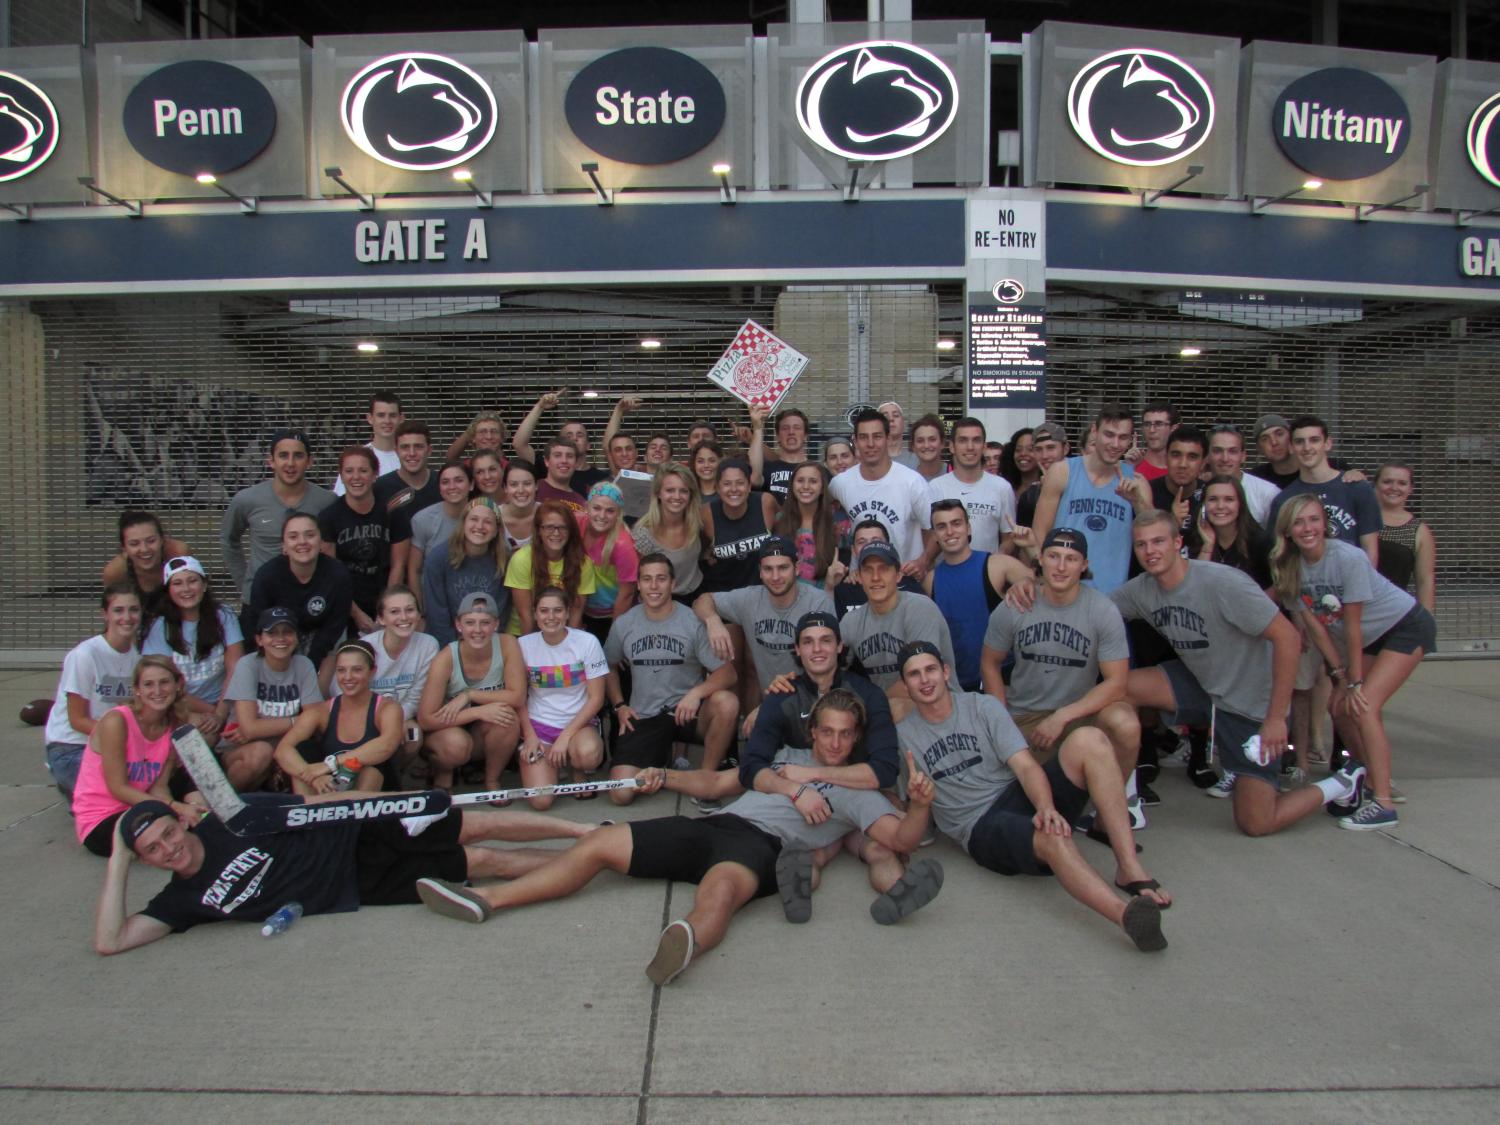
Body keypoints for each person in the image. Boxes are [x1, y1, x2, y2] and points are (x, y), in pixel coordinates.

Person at [416, 689, 942, 986]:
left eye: (844, 734)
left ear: (856, 738)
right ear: (813, 731)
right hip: (711, 827)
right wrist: (662, 776)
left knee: (718, 894)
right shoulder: (785, 760)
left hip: (760, 851)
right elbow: (716, 782)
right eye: (825, 731)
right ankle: (486, 898)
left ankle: (682, 945)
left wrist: (919, 805)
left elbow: (898, 838)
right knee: (601, 843)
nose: (833, 741)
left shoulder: (858, 792)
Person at [896, 642, 1167, 951]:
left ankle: (1128, 865)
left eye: (930, 669)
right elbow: (907, 808)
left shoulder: (982, 707)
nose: (925, 680)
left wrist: (1045, 806)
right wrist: (919, 804)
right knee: (1052, 837)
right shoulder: (903, 736)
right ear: (905, 685)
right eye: (914, 675)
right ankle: (1126, 915)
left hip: (1015, 792)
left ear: (946, 672)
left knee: (1089, 740)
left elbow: (1025, 767)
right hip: (980, 824)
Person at [1116, 511, 1368, 837]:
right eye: (1141, 544)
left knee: (1256, 822)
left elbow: (1288, 640)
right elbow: (1093, 611)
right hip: (1203, 685)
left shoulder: (1223, 583)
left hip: (1251, 705)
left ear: (1178, 543)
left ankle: (1343, 783)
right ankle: (1126, 798)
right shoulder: (1141, 590)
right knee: (1119, 689)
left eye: (1159, 541)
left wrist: (1276, 718)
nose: (1150, 551)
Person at [93, 795, 595, 954]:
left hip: (359, 833)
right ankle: (592, 863)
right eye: (152, 851)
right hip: (359, 889)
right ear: (146, 861)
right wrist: (118, 858)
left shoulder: (230, 817)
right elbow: (111, 941)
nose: (168, 849)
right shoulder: (180, 901)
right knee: (484, 863)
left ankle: (583, 833)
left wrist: (387, 806)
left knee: (477, 825)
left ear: (180, 821)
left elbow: (308, 804)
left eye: (167, 834)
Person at [1270, 494, 1436, 830]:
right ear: (1287, 530)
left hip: (1405, 626)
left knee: (1363, 705)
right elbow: (1318, 631)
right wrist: (1338, 674)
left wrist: (1355, 682)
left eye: (1314, 520)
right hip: (1367, 639)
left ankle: (1384, 803)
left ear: (1325, 524)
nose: (1308, 528)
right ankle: (1365, 775)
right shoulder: (1289, 569)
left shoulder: (1347, 557)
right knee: (1339, 707)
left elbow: (1354, 625)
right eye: (1299, 522)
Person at [981, 528, 1139, 782]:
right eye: (1054, 556)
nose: (1061, 566)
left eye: (1071, 558)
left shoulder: (1102, 610)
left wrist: (1062, 716)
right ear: (1040, 558)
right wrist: (1000, 722)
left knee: (1125, 722)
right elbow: (990, 662)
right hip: (1026, 715)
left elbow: (1117, 683)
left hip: (1079, 714)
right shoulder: (1016, 603)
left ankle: (1116, 795)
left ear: (1084, 565)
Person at [605, 554, 739, 799]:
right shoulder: (624, 624)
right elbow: (608, 666)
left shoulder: (692, 622)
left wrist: (696, 693)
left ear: (673, 584)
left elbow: (728, 674)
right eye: (647, 579)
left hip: (686, 713)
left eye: (661, 579)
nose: (654, 586)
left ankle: (705, 779)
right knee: (621, 794)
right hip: (645, 716)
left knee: (727, 703)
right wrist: (619, 705)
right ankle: (663, 760)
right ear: (638, 585)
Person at [738, 611, 900, 795]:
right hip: (793, 790)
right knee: (722, 782)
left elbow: (886, 770)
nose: (817, 649)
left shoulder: (869, 695)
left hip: (854, 792)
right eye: (808, 642)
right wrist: (795, 791)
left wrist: (812, 774)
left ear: (839, 646)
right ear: (797, 649)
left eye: (825, 640)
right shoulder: (782, 696)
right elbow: (750, 766)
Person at [72, 656, 197, 857]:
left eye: (164, 682)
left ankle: (200, 813)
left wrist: (184, 808)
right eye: (148, 684)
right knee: (179, 829)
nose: (157, 691)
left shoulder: (174, 723)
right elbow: (118, 788)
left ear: (178, 684)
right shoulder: (117, 721)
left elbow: (159, 786)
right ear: (137, 689)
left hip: (143, 805)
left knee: (192, 778)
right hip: (104, 819)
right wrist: (175, 808)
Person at [694, 537, 835, 700]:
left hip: (813, 699)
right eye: (768, 569)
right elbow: (702, 601)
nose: (775, 577)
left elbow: (827, 666)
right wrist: (713, 621)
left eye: (783, 568)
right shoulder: (750, 599)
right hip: (771, 702)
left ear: (796, 568)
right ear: (760, 571)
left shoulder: (818, 602)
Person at [418, 591, 524, 792]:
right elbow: (426, 719)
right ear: (458, 625)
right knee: (456, 745)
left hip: (480, 732)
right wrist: (477, 711)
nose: (477, 630)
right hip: (446, 732)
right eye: (469, 623)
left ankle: (492, 780)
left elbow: (517, 696)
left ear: (496, 624)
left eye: (485, 622)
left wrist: (469, 695)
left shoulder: (507, 644)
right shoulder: (446, 658)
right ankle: (442, 771)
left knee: (507, 717)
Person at [44, 584, 141, 800]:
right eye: (118, 610)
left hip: (108, 746)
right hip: (70, 748)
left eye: (133, 610)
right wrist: (121, 740)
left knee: (141, 780)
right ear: (104, 614)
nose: (127, 617)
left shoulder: (136, 659)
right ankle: (70, 784)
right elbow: (77, 719)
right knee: (121, 794)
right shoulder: (85, 655)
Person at [839, 541, 956, 718]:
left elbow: (921, 680)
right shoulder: (852, 621)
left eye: (884, 568)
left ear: (899, 574)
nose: (875, 577)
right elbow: (830, 668)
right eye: (868, 570)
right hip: (887, 709)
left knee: (895, 708)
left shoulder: (919, 608)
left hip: (941, 703)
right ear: (859, 576)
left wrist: (869, 707)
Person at [1029, 403, 1139, 592]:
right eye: (1109, 434)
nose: (1115, 444)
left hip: (1112, 598)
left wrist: (1138, 501)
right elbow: (1040, 532)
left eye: (1123, 437)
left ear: (1131, 439)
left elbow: (1154, 537)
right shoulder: (1062, 472)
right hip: (1063, 593)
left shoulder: (1136, 482)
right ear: (1095, 432)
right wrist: (1043, 580)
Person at [517, 586, 609, 808]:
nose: (551, 617)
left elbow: (596, 698)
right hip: (540, 726)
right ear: (535, 613)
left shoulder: (587, 642)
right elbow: (518, 698)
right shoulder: (522, 645)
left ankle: (575, 769)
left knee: (587, 755)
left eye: (558, 610)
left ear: (568, 612)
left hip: (578, 725)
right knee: (541, 801)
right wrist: (529, 736)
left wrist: (565, 738)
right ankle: (552, 766)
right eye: (544, 611)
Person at [926, 499, 1031, 693]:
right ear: (935, 536)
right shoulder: (930, 580)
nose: (950, 532)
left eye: (956, 523)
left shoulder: (998, 565)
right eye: (942, 526)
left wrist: (1032, 549)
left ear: (968, 528)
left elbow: (1048, 585)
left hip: (1004, 679)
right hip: (958, 686)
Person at [221, 430, 336, 605]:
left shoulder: (327, 501)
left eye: (298, 456)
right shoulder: (247, 499)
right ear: (271, 461)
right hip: (261, 601)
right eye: (283, 455)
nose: (290, 463)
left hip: (309, 602)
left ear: (310, 461)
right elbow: (228, 540)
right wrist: (245, 582)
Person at [274, 640, 402, 795]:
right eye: (341, 670)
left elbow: (387, 745)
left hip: (372, 796)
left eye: (357, 670)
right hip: (328, 789)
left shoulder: (387, 708)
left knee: (371, 766)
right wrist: (312, 776)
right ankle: (310, 813)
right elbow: (283, 750)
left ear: (372, 671)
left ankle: (355, 817)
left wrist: (330, 764)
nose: (347, 677)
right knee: (304, 749)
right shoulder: (321, 711)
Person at [143, 556, 244, 748]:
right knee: (204, 737)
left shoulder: (223, 616)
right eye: (177, 583)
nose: (186, 589)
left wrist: (220, 713)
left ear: (204, 584)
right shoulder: (159, 627)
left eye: (192, 581)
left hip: (225, 703)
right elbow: (163, 683)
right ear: (169, 590)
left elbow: (235, 669)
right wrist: (211, 713)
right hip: (180, 705)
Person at [222, 607, 322, 792]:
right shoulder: (248, 664)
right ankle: (224, 807)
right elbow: (249, 729)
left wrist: (264, 728)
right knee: (261, 752)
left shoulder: (304, 665)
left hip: (285, 747)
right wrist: (299, 721)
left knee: (303, 752)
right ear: (259, 639)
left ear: (297, 637)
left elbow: (316, 718)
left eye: (287, 632)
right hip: (241, 749)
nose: (281, 639)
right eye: (272, 633)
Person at [247, 514, 353, 687]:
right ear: (284, 546)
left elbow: (335, 625)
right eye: (293, 537)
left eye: (310, 535)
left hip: (323, 637)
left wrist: (310, 666)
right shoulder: (267, 577)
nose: (302, 542)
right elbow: (259, 625)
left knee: (336, 645)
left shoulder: (338, 574)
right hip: (280, 636)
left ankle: (321, 697)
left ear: (320, 542)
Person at [828, 408, 933, 573]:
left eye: (877, 436)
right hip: (861, 579)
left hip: (903, 579)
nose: (870, 444)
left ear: (888, 439)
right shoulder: (840, 484)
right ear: (855, 442)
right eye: (864, 437)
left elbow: (932, 529)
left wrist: (923, 561)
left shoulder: (912, 482)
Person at [352, 586, 439, 772]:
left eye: (409, 610)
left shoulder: (428, 645)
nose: (404, 617)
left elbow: (417, 696)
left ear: (418, 614)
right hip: (364, 717)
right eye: (394, 612)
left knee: (413, 736)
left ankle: (394, 780)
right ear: (381, 619)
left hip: (402, 715)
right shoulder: (364, 647)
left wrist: (394, 721)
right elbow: (347, 694)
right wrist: (383, 723)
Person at [319, 445, 401, 635]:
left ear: (375, 475)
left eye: (363, 470)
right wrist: (356, 614)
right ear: (341, 475)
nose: (356, 477)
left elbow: (399, 565)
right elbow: (331, 572)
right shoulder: (328, 517)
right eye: (349, 471)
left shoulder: (392, 512)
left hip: (386, 602)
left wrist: (387, 610)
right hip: (345, 605)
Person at [422, 498, 510, 647]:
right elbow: (437, 614)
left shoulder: (504, 559)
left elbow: (501, 611)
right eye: (473, 519)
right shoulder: (438, 558)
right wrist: (453, 650)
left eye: (488, 522)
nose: (480, 526)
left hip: (489, 641)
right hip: (448, 642)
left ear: (497, 529)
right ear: (463, 524)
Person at [925, 416, 1016, 558]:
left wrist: (995, 563)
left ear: (984, 447)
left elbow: (1009, 538)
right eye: (963, 440)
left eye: (976, 440)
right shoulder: (935, 487)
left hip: (987, 575)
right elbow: (930, 537)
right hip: (947, 574)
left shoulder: (1002, 488)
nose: (970, 447)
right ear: (952, 446)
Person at [506, 499, 596, 635]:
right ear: (538, 530)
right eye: (549, 527)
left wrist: (569, 646)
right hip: (523, 632)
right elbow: (525, 615)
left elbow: (576, 612)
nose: (556, 533)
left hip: (562, 630)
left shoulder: (583, 563)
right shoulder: (521, 559)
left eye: (563, 527)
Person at [701, 458, 779, 593]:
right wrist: (706, 552)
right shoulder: (706, 513)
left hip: (763, 593)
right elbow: (697, 547)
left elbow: (786, 526)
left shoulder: (765, 502)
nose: (734, 489)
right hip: (723, 595)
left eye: (740, 483)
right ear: (718, 488)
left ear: (749, 486)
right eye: (726, 484)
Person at [632, 463, 707, 601]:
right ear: (658, 493)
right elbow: (638, 581)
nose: (677, 496)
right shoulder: (643, 534)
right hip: (661, 602)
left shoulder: (697, 522)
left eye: (684, 491)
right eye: (670, 490)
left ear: (691, 494)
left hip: (697, 595)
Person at [579, 481, 639, 646]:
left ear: (619, 514)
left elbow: (626, 595)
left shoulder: (622, 545)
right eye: (596, 508)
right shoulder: (578, 524)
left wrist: (615, 638)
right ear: (587, 507)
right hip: (581, 608)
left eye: (610, 511)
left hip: (610, 615)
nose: (602, 515)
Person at [405, 461, 472, 607]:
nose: (452, 486)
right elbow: (415, 570)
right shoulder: (422, 520)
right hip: (434, 605)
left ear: (471, 485)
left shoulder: (484, 518)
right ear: (440, 488)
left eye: (459, 480)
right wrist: (419, 610)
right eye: (445, 482)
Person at [826, 520, 925, 617]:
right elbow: (828, 628)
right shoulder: (844, 589)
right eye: (861, 542)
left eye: (876, 540)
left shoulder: (909, 585)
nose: (869, 545)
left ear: (889, 546)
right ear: (853, 550)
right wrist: (830, 587)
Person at [1190, 475, 1272, 590]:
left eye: (1229, 499)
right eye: (1213, 499)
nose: (1220, 506)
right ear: (1203, 506)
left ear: (1240, 504)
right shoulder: (1195, 538)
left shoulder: (1261, 542)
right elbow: (1194, 589)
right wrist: (1207, 547)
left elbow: (1277, 587)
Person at [513, 391, 605, 493]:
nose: (574, 438)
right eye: (568, 435)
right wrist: (540, 407)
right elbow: (519, 444)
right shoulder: (548, 466)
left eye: (580, 435)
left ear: (588, 445)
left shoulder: (601, 478)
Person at [100, 510, 188, 616]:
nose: (144, 549)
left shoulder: (178, 553)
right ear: (124, 548)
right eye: (134, 544)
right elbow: (114, 615)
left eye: (151, 541)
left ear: (162, 539)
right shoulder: (116, 572)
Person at [1374, 461, 1436, 610]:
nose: (1394, 488)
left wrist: (1425, 624)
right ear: (1375, 484)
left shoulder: (1418, 531)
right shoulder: (1359, 519)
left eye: (1402, 483)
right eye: (1387, 482)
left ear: (1411, 488)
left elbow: (1425, 581)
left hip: (1395, 613)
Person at [773, 462, 842, 588]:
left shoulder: (836, 523)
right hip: (785, 598)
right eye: (800, 480)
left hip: (822, 600)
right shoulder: (779, 520)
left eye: (813, 481)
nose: (806, 486)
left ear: (822, 488)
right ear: (792, 485)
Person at [372, 421, 440, 530]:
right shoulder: (379, 488)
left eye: (418, 446)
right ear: (396, 451)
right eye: (405, 447)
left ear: (429, 450)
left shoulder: (443, 484)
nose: (412, 453)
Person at [333, 392, 404, 494]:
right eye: (381, 415)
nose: (387, 421)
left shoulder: (409, 458)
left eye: (392, 415)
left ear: (401, 418)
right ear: (370, 418)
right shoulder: (356, 459)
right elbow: (341, 499)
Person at [1206, 424, 1278, 525]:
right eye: (1218, 451)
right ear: (1207, 456)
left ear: (1243, 456)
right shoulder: (1199, 491)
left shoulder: (1267, 493)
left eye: (1233, 451)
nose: (1225, 458)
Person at [1014, 421, 1068, 532]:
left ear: (1065, 449)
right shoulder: (1030, 496)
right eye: (1038, 449)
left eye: (1051, 447)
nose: (1045, 456)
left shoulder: (1081, 483)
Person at [759, 408, 811, 499]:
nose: (791, 432)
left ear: (805, 436)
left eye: (797, 428)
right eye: (785, 428)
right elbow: (754, 479)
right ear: (778, 436)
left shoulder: (819, 472)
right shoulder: (766, 470)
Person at [535, 437, 587, 512]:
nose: (564, 460)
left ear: (576, 463)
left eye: (569, 456)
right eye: (557, 455)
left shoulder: (581, 501)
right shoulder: (533, 490)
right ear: (546, 461)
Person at [499, 458, 539, 550]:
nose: (521, 490)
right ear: (505, 487)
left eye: (527, 484)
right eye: (514, 484)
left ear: (536, 485)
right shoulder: (494, 517)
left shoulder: (548, 515)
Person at [1132, 402, 1177, 482]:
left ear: (1173, 429)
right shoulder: (1132, 467)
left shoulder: (1183, 470)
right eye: (1147, 424)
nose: (1151, 430)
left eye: (1159, 424)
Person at [1000, 427, 1041, 495]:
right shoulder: (1004, 486)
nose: (1023, 454)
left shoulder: (1047, 487)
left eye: (1030, 449)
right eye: (1018, 450)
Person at [877, 400, 918, 469]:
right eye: (885, 416)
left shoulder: (916, 461)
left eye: (895, 415)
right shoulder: (872, 459)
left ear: (903, 424)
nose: (891, 419)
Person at [908, 413, 948, 482]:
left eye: (932, 439)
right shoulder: (907, 478)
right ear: (913, 446)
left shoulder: (955, 474)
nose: (926, 445)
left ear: (942, 443)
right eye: (920, 441)